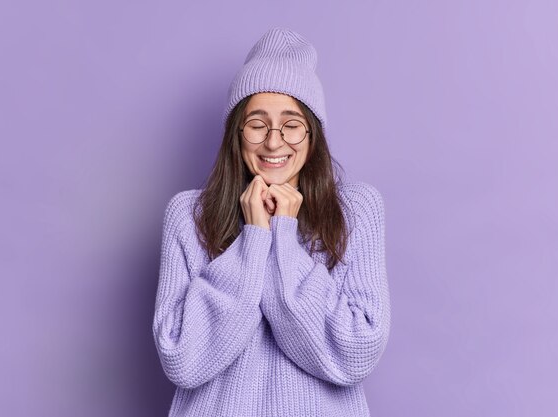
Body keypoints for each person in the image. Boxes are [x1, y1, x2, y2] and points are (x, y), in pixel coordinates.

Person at [152, 27, 391, 417]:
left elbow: (354, 352)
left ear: (313, 136)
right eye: (258, 123)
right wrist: (253, 236)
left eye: (292, 124)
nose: (274, 142)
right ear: (237, 133)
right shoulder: (188, 215)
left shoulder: (356, 210)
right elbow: (183, 358)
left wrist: (284, 234)